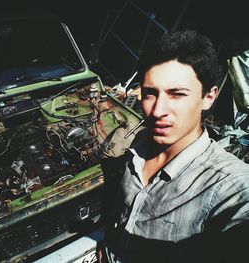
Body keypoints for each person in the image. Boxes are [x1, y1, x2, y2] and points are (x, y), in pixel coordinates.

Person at [98, 29, 249, 263]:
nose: (158, 111)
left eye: (177, 94)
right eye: (150, 94)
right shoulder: (139, 145)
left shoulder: (228, 186)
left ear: (209, 97)